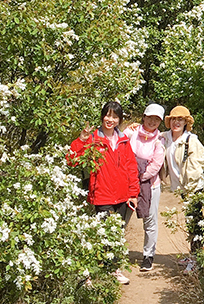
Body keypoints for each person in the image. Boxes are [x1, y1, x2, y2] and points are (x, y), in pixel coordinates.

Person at [69, 100, 139, 285]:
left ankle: (113, 271)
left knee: (116, 235)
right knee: (101, 235)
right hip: (102, 195)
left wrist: (133, 193)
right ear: (102, 116)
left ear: (119, 119)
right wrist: (81, 140)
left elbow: (131, 168)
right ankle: (93, 273)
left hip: (123, 196)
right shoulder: (93, 139)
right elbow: (72, 160)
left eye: (115, 116)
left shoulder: (124, 140)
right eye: (108, 115)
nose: (111, 119)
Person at [124, 104, 165, 272]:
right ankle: (115, 254)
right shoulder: (131, 132)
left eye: (157, 119)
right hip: (126, 184)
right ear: (144, 116)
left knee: (150, 219)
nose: (152, 121)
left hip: (151, 185)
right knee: (122, 218)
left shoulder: (159, 139)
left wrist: (139, 177)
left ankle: (148, 255)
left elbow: (156, 164)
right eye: (150, 117)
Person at [160, 105, 204, 195]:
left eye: (180, 119)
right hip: (180, 188)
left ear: (186, 122)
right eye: (173, 119)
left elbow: (196, 166)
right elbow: (148, 134)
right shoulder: (165, 138)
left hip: (193, 188)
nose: (176, 122)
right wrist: (134, 127)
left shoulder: (191, 140)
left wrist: (190, 188)